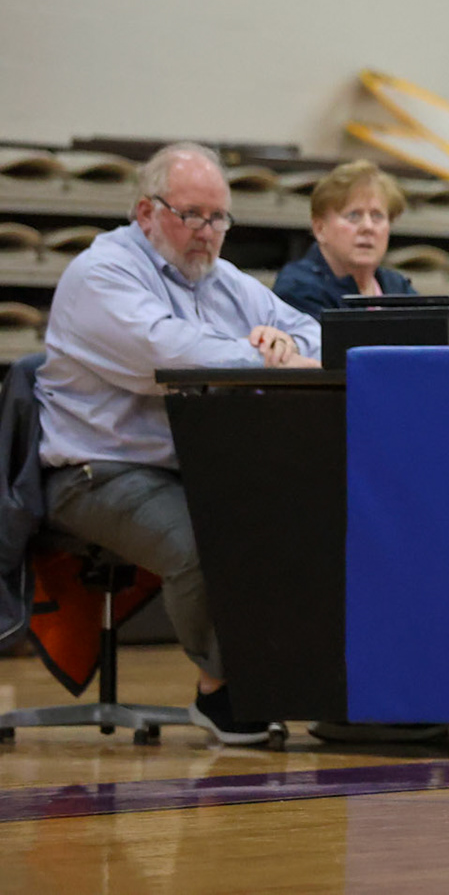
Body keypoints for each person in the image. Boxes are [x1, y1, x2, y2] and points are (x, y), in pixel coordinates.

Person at [34, 142, 321, 745]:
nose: (207, 234)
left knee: (291, 516)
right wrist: (259, 353)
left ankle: (288, 677)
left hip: (190, 467)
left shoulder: (219, 278)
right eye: (192, 215)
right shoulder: (101, 273)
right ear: (145, 212)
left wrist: (287, 348)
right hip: (95, 473)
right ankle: (219, 693)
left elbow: (309, 331)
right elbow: (166, 354)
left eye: (218, 218)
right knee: (199, 545)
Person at [272, 160, 418, 318]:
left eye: (377, 216)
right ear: (320, 229)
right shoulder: (299, 289)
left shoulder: (397, 287)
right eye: (353, 215)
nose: (368, 227)